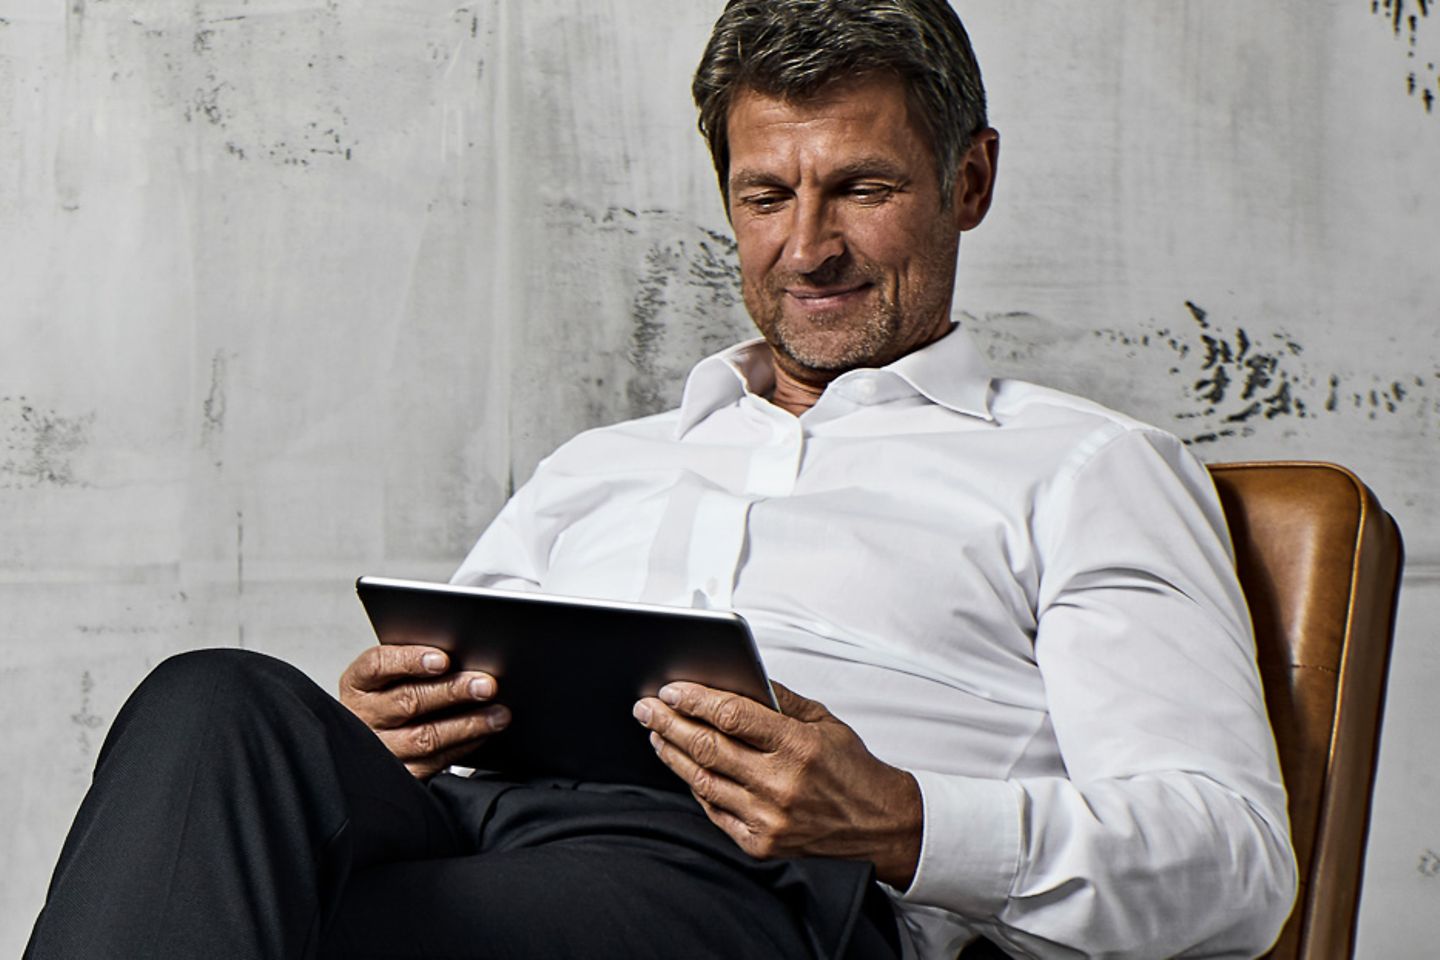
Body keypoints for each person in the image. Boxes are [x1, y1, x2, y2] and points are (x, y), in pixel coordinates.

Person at [25, 2, 1298, 958]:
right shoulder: (601, 465)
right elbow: (427, 741)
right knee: (215, 705)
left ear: (968, 182)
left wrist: (903, 818)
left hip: (763, 891)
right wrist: (393, 730)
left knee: (300, 921)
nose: (811, 248)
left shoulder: (1089, 468)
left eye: (861, 187)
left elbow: (1233, 865)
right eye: (766, 196)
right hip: (492, 831)